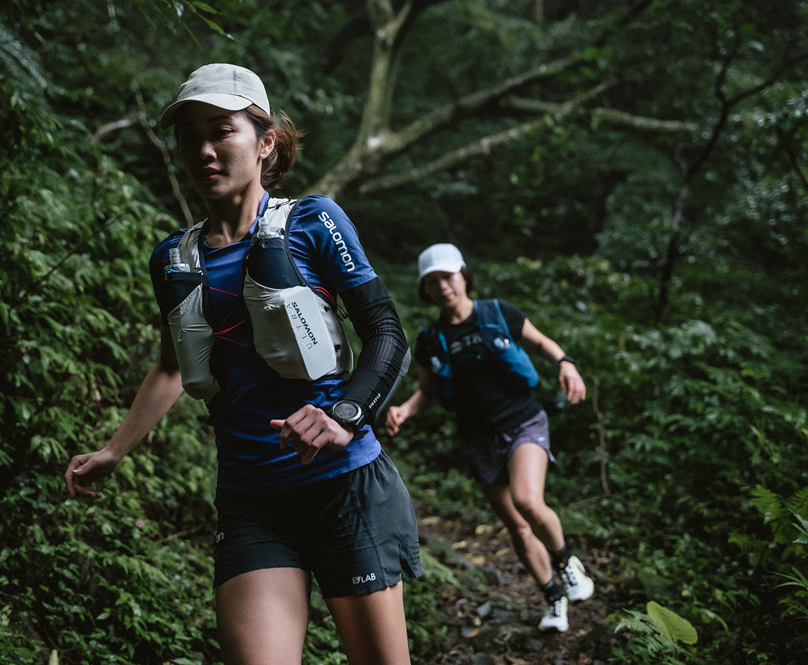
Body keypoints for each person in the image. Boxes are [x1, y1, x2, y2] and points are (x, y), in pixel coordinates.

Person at [63, 63, 421, 665]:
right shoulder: (173, 259)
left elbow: (387, 334)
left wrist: (346, 413)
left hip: (346, 488)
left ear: (265, 142)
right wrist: (114, 451)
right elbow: (173, 366)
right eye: (189, 136)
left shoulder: (314, 222)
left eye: (221, 131)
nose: (203, 150)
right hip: (253, 500)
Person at [385, 243, 593, 633]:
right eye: (432, 282)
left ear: (464, 276)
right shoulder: (431, 339)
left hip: (523, 423)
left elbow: (542, 343)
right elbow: (426, 393)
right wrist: (404, 410)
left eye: (447, 277)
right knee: (516, 526)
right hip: (478, 439)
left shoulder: (498, 313)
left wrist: (567, 364)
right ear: (425, 290)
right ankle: (553, 598)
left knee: (528, 501)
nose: (442, 286)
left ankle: (565, 563)